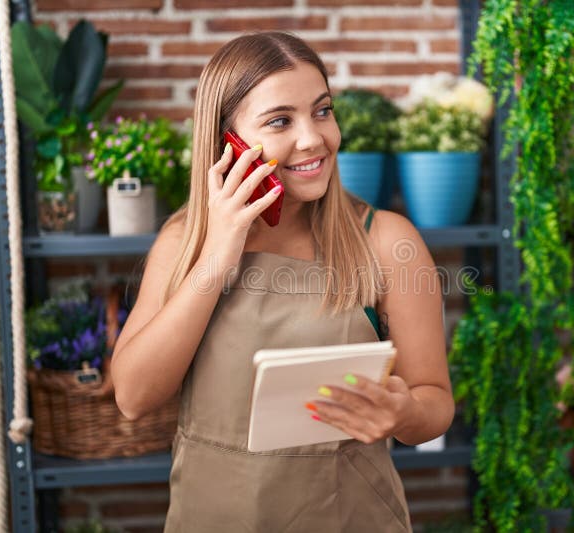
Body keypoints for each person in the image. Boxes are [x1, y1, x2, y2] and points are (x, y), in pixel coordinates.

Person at [111, 31, 454, 532]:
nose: (314, 138)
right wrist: (217, 255)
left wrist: (403, 414)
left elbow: (435, 400)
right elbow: (133, 397)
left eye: (322, 110)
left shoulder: (384, 241)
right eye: (279, 121)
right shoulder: (183, 242)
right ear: (227, 140)